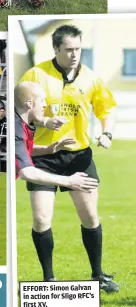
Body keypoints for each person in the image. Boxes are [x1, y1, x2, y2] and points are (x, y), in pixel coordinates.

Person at [20, 24, 119, 293]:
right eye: (69, 49)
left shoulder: (91, 78)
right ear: (56, 49)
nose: (75, 54)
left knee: (90, 216)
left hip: (79, 158)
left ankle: (98, 274)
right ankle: (49, 280)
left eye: (78, 49)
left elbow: (106, 108)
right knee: (41, 219)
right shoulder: (35, 74)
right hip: (44, 157)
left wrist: (106, 132)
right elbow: (22, 111)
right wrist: (43, 121)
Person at [15, 81, 98, 189]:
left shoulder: (17, 123)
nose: (45, 105)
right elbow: (26, 172)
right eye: (42, 100)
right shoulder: (15, 128)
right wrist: (68, 181)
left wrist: (46, 149)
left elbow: (16, 150)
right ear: (30, 104)